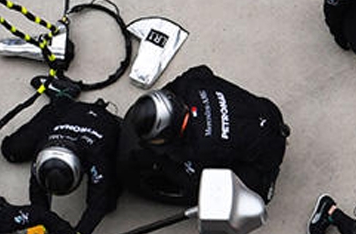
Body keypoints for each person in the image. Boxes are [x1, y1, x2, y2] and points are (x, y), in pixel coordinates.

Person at [119, 64, 289, 205]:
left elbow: (191, 181)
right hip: (266, 109)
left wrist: (158, 158)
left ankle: (267, 181)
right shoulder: (191, 84)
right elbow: (202, 70)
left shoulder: (202, 147)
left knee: (243, 197)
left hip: (269, 147)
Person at [0, 95, 122, 234]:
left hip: (104, 122)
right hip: (69, 111)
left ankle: (73, 101)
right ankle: (62, 97)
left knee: (108, 203)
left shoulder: (96, 155)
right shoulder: (44, 153)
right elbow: (37, 190)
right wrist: (41, 224)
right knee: (12, 150)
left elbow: (97, 204)